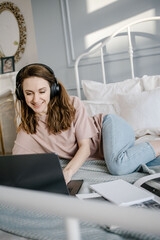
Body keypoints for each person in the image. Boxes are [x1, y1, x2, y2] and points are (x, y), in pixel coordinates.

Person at [12, 63, 160, 184]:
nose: (36, 99)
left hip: (110, 126)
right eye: (29, 93)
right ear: (21, 95)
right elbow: (16, 166)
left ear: (53, 89)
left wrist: (68, 172)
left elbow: (85, 148)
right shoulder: (28, 129)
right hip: (107, 153)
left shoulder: (72, 104)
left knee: (118, 167)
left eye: (42, 91)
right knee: (147, 163)